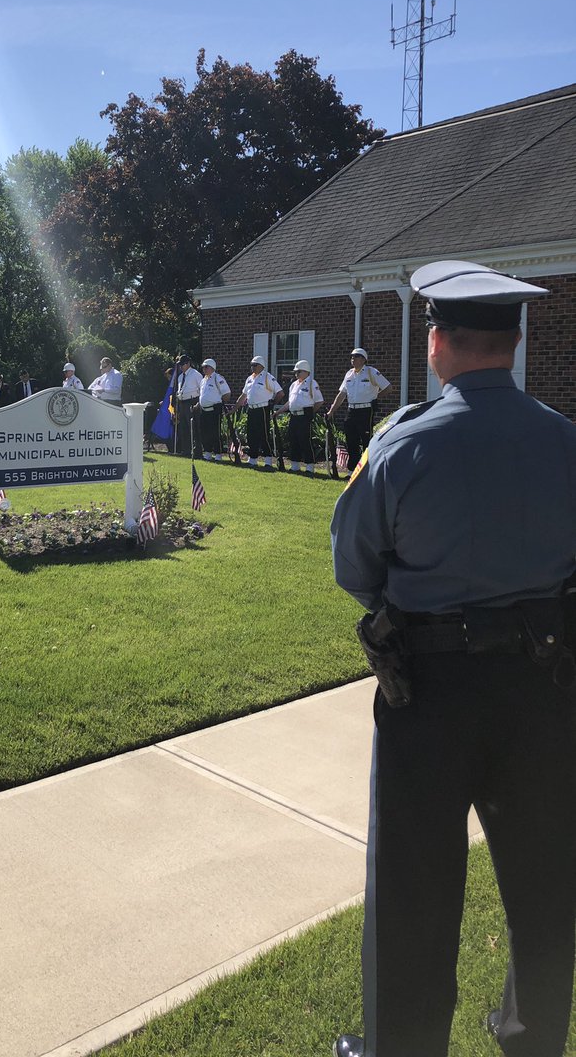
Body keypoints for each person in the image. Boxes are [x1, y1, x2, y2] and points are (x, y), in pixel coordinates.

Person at [330, 260, 576, 1057]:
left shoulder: (402, 443)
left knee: (413, 892)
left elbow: (354, 570)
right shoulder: (566, 442)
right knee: (545, 883)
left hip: (427, 696)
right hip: (546, 687)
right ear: (511, 341)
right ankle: (531, 1037)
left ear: (437, 341)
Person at [327, 348, 391, 473]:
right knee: (351, 441)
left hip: (366, 411)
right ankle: (352, 471)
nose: (353, 359)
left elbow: (388, 388)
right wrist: (332, 410)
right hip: (351, 411)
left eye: (356, 356)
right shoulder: (349, 374)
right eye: (352, 357)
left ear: (363, 359)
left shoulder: (371, 372)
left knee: (367, 441)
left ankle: (368, 470)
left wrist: (375, 397)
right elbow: (341, 395)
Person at [274, 359, 323, 473]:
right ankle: (295, 465)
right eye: (295, 372)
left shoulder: (312, 383)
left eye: (299, 371)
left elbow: (319, 401)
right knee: (293, 439)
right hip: (294, 416)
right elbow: (290, 403)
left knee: (305, 440)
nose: (296, 374)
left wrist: (311, 413)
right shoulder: (293, 385)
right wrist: (278, 412)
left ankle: (309, 466)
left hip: (304, 416)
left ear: (306, 372)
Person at [235, 356, 283, 468]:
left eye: (255, 365)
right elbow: (244, 395)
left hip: (262, 408)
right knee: (251, 434)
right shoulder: (249, 379)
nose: (252, 367)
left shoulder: (268, 377)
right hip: (251, 409)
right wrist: (235, 408)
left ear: (261, 366)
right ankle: (253, 459)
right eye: (251, 365)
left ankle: (268, 460)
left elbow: (280, 393)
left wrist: (272, 404)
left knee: (263, 434)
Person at [196, 359, 231, 460]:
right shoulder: (203, 380)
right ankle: (207, 452)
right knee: (205, 432)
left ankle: (218, 454)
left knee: (215, 433)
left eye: (206, 367)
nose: (204, 369)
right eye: (203, 367)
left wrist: (220, 403)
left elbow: (227, 393)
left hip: (214, 410)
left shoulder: (218, 378)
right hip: (204, 410)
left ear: (212, 367)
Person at [174, 354, 203, 457]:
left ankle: (197, 450)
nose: (181, 367)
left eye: (183, 364)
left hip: (192, 401)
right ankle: (186, 450)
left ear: (188, 364)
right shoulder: (180, 377)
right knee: (184, 427)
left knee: (194, 427)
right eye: (180, 365)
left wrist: (198, 403)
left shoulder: (196, 374)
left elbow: (202, 389)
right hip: (182, 402)